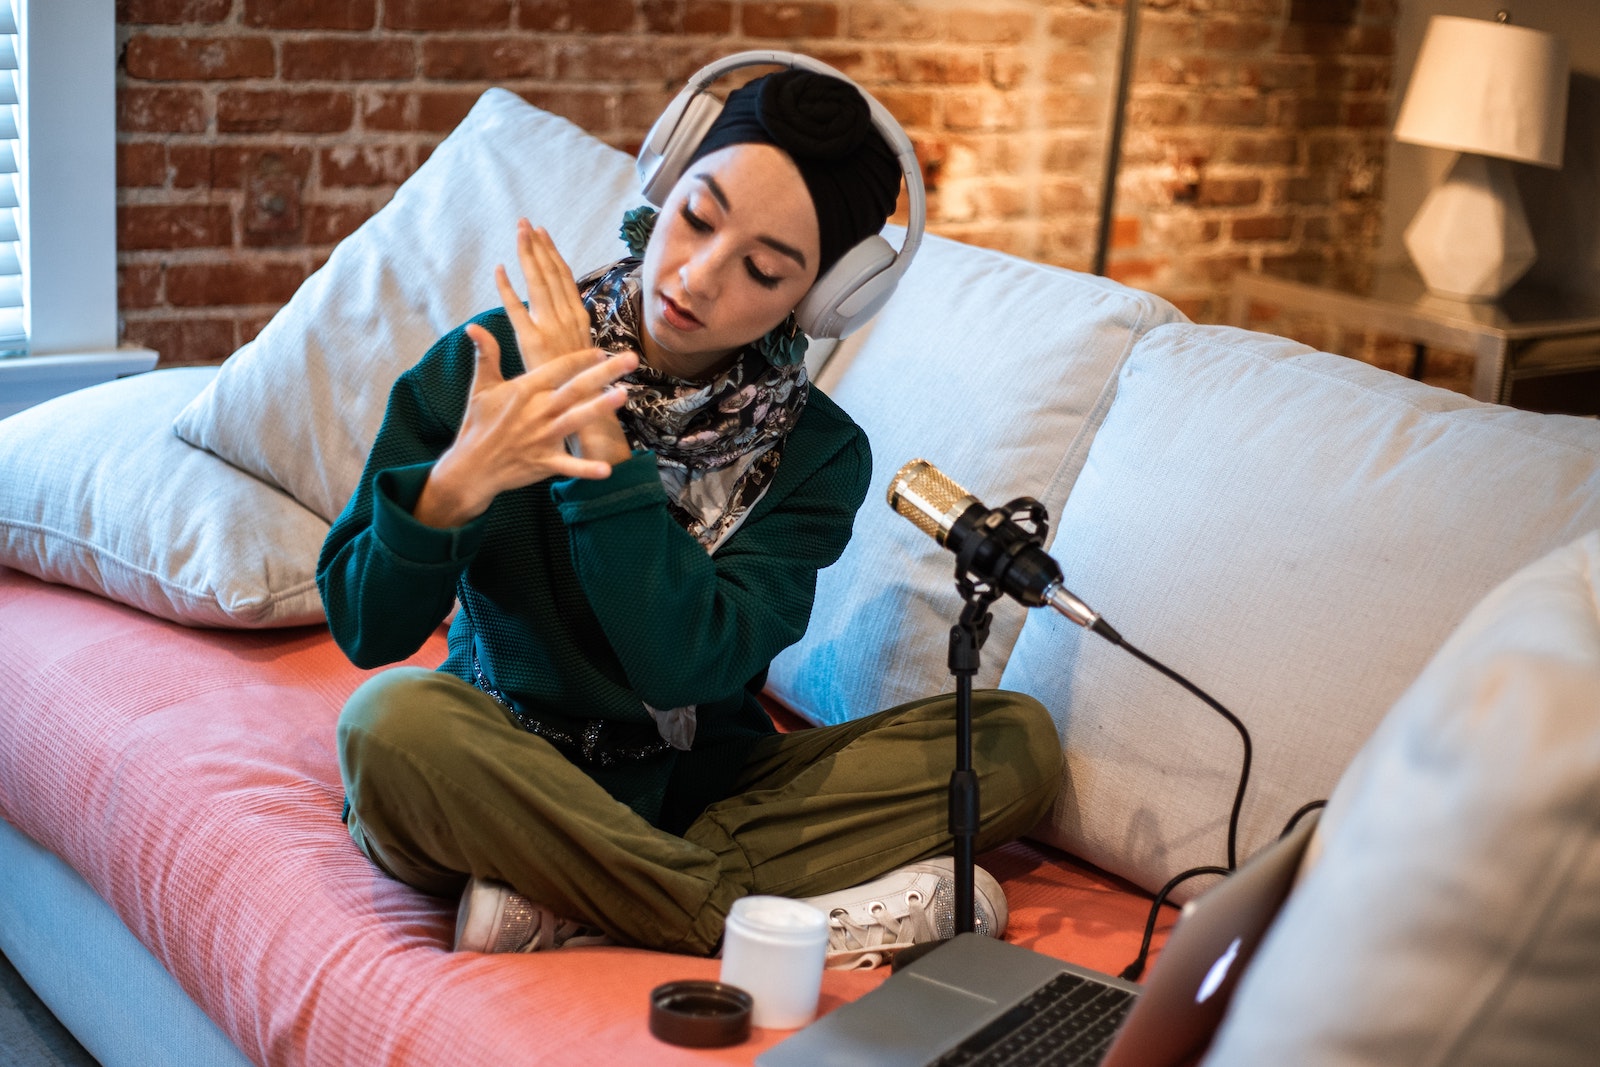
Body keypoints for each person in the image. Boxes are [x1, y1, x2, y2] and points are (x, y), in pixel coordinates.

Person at [318, 58, 1062, 969]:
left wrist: (598, 443)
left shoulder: (819, 453)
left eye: (761, 268)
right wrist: (456, 486)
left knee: (1013, 743)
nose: (700, 279)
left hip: (695, 787)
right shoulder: (492, 365)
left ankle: (582, 895)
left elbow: (680, 661)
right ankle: (770, 919)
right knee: (388, 725)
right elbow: (362, 625)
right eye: (699, 217)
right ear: (666, 183)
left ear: (822, 298)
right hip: (501, 773)